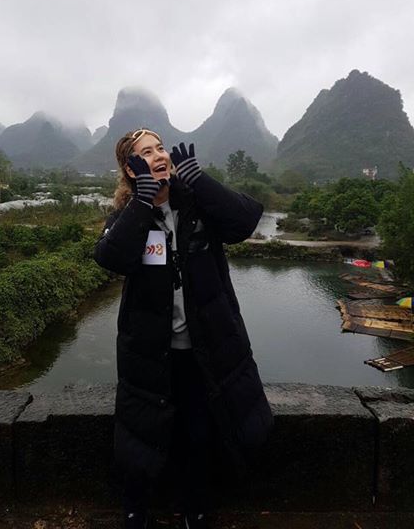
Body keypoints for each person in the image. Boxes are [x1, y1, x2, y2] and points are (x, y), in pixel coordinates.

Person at [94, 128, 273, 529]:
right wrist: (143, 201)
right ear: (131, 168)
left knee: (198, 431)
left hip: (203, 350)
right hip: (150, 353)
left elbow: (245, 220)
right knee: (141, 430)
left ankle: (196, 506)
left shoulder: (197, 205)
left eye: (161, 148)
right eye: (146, 152)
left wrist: (199, 179)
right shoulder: (128, 216)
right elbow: (111, 257)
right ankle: (135, 507)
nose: (159, 155)